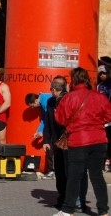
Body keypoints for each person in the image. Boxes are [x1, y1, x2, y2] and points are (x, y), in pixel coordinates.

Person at [54, 67, 111, 216]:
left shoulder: (69, 97)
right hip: (99, 139)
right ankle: (103, 211)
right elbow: (108, 116)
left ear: (73, 80)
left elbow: (60, 119)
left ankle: (67, 210)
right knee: (97, 176)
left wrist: (73, 124)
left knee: (74, 176)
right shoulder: (100, 97)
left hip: (79, 140)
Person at [45, 76, 89, 212]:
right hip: (58, 142)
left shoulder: (70, 99)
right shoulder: (51, 101)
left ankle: (77, 201)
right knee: (60, 171)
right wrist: (47, 140)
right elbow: (48, 121)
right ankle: (63, 198)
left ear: (54, 89)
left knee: (73, 172)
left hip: (72, 141)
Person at [26, 90, 54, 177]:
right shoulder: (42, 102)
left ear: (35, 101)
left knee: (50, 147)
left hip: (54, 128)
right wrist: (39, 131)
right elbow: (44, 119)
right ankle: (52, 170)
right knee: (50, 148)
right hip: (51, 127)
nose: (33, 108)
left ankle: (53, 170)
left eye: (33, 106)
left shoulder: (46, 101)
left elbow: (49, 118)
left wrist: (45, 132)